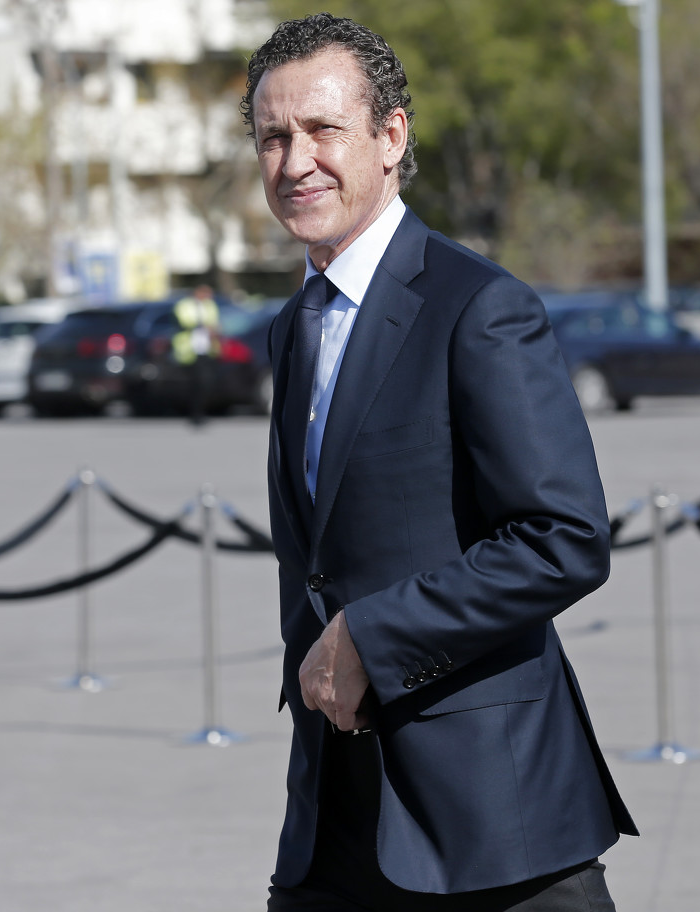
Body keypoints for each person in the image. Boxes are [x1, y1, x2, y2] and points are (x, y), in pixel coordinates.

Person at [244, 13, 636, 911]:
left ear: (391, 137)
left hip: (490, 819)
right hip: (336, 812)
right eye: (273, 137)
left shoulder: (479, 307)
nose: (296, 161)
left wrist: (372, 639)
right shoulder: (293, 325)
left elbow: (563, 539)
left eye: (322, 129)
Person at [170, 284, 222, 424]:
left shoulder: (210, 305)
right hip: (188, 350)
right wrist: (204, 326)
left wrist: (214, 330)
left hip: (206, 348)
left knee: (205, 382)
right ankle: (193, 413)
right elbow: (185, 321)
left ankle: (199, 412)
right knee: (194, 383)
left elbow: (214, 322)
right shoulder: (184, 305)